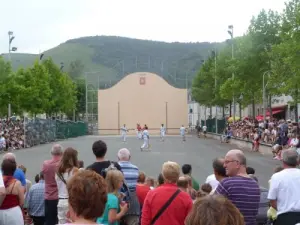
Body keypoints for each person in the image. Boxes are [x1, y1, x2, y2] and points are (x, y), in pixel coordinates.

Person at [216, 149, 260, 225]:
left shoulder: (227, 183)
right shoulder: (255, 185)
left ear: (237, 164)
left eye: (227, 162)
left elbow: (211, 208)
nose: (224, 165)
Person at [268, 150, 300, 225]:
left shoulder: (276, 176)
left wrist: (282, 208)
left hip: (284, 216)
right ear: (298, 162)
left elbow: (272, 200)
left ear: (283, 161)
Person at [55, 147, 79, 224]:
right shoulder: (75, 170)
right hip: (71, 201)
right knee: (73, 222)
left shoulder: (58, 171)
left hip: (61, 200)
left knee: (61, 222)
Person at [42, 144, 63, 225]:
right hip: (61, 195)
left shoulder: (46, 164)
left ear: (52, 152)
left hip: (49, 196)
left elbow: (43, 174)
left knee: (50, 221)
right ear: (62, 153)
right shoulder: (63, 165)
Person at [0, 158, 24, 225]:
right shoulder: (17, 183)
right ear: (14, 170)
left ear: (2, 169)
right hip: (14, 213)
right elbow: (22, 202)